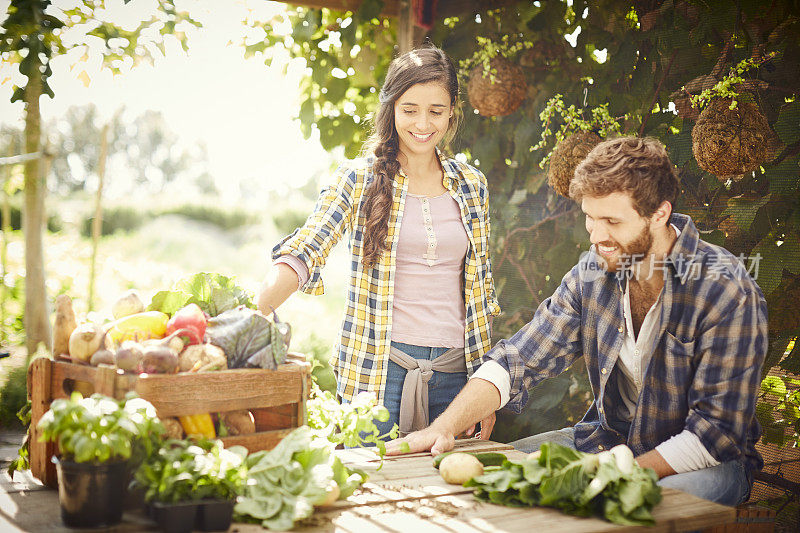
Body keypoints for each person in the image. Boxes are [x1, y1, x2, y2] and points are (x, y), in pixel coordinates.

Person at [387, 136, 768, 506]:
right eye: (590, 218)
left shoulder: (726, 290)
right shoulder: (593, 271)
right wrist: (441, 429)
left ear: (659, 214)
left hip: (710, 462)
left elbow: (713, 435)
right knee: (502, 477)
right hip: (608, 443)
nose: (597, 236)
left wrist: (617, 471)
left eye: (612, 221)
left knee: (626, 505)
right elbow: (517, 359)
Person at [258, 46, 501, 440]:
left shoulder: (472, 185)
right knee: (373, 491)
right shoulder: (358, 178)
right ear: (391, 107)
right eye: (410, 109)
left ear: (453, 110)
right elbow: (305, 249)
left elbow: (479, 290)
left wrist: (484, 390)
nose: (423, 123)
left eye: (436, 111)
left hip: (458, 379)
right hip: (376, 377)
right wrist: (259, 308)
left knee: (451, 496)